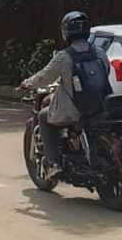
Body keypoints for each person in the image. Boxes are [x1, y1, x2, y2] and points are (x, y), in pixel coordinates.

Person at [19, 11, 113, 178]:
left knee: (43, 116)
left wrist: (27, 83)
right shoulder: (100, 52)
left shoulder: (64, 56)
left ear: (66, 32)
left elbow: (44, 77)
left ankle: (53, 163)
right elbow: (106, 72)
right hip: (100, 107)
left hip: (76, 111)